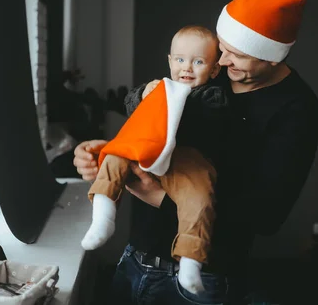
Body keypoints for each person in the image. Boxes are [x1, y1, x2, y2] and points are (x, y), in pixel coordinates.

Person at [73, 0, 318, 304]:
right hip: (135, 258)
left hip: (203, 278)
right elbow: (159, 120)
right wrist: (112, 154)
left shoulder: (298, 108)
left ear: (273, 55)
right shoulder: (210, 73)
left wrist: (157, 196)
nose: (221, 60)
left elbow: (267, 215)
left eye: (238, 54)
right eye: (222, 48)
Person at [80, 25, 228, 294]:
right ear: (170, 61)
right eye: (180, 60)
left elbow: (202, 116)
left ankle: (191, 261)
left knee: (199, 200)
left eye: (198, 62)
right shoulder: (160, 87)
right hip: (151, 151)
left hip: (186, 165)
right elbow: (131, 103)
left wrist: (170, 100)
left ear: (215, 70)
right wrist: (145, 94)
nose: (187, 68)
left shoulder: (212, 96)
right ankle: (103, 215)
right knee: (116, 153)